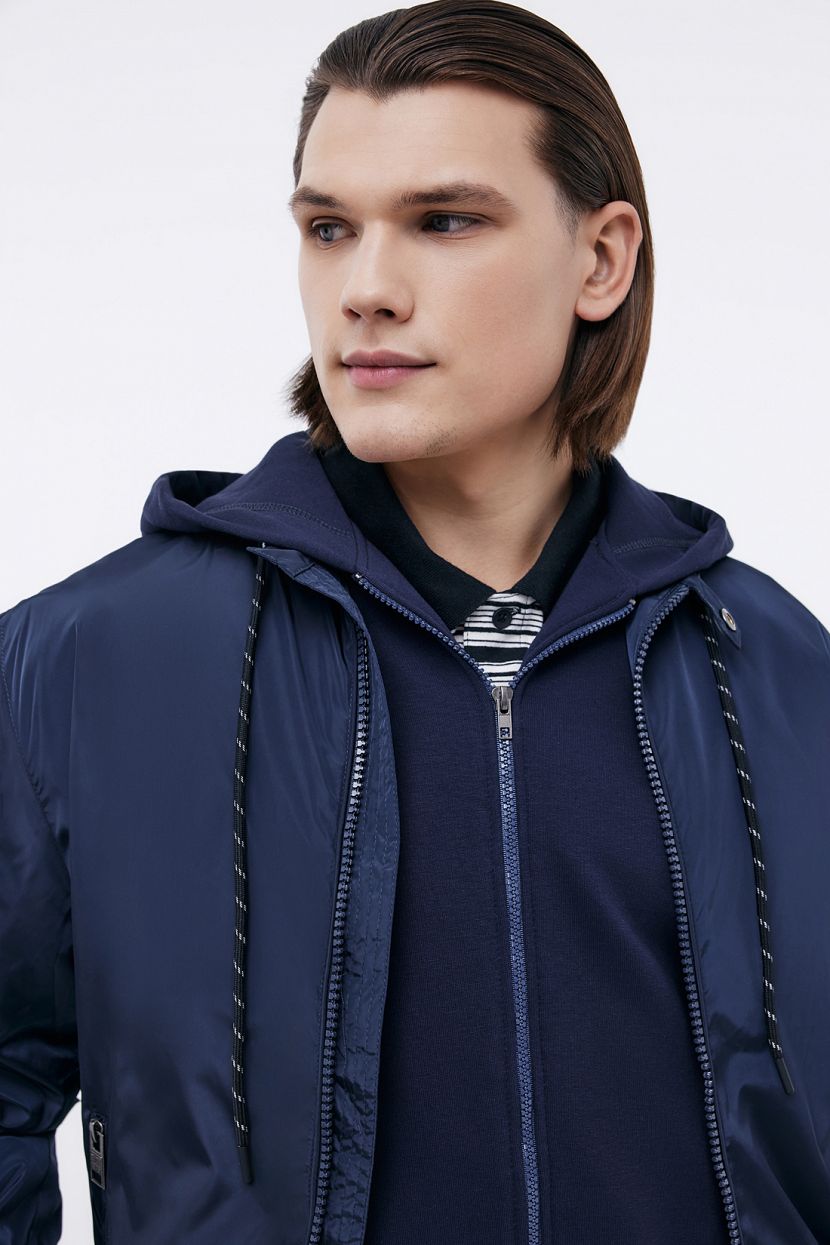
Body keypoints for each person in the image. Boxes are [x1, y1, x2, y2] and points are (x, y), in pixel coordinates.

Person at [1, 1, 829, 1241]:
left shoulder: (779, 672)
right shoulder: (90, 662)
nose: (366, 290)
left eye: (444, 222)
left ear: (600, 261)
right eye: (328, 228)